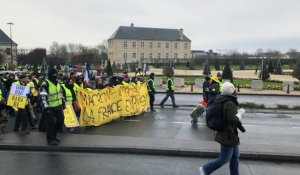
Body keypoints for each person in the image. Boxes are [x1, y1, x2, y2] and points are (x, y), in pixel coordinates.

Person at [199, 82, 246, 175]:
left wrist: (241, 128)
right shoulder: (230, 103)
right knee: (224, 159)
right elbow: (232, 119)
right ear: (232, 91)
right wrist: (240, 113)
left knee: (235, 157)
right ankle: (205, 169)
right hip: (227, 135)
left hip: (230, 134)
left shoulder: (221, 99)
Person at [39, 68, 65, 146]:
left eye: (56, 74)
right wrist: (46, 108)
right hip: (49, 107)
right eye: (53, 74)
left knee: (60, 120)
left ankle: (54, 136)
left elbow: (60, 93)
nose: (55, 76)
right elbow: (43, 97)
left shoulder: (58, 83)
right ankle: (50, 139)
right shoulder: (45, 84)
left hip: (58, 105)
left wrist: (63, 102)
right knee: (51, 122)